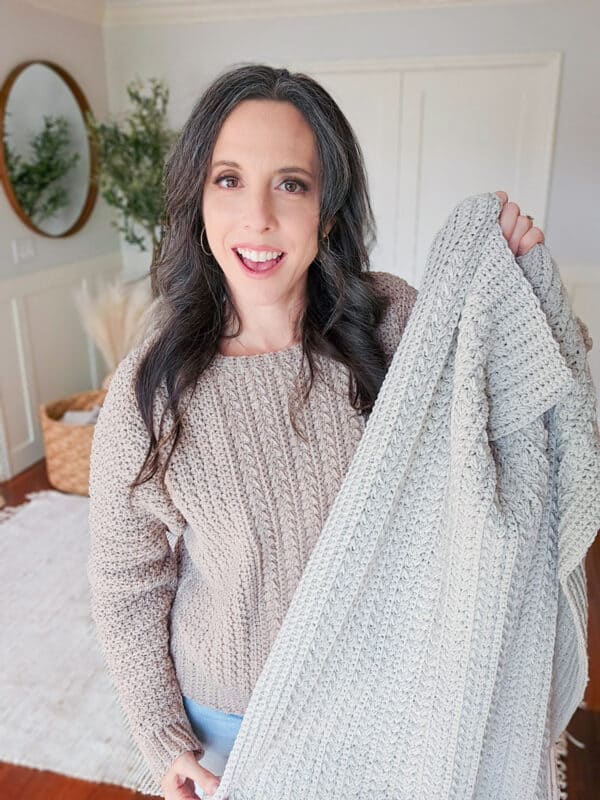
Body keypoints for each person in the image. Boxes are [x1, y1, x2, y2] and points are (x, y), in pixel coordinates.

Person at [86, 62, 543, 800]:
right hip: (234, 723)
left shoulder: (397, 325)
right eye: (228, 179)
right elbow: (126, 581)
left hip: (389, 699)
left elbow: (507, 431)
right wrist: (163, 738)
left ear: (328, 211)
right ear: (197, 201)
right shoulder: (151, 390)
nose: (258, 218)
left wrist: (509, 283)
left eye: (291, 184)